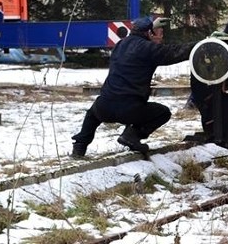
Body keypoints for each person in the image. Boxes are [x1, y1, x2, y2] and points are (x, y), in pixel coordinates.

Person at [71, 16, 194, 157]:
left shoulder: (119, 45)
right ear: (149, 33)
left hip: (105, 105)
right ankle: (131, 135)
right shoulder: (148, 49)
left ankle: (80, 146)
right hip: (130, 109)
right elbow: (175, 52)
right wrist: (202, 44)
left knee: (93, 113)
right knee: (163, 113)